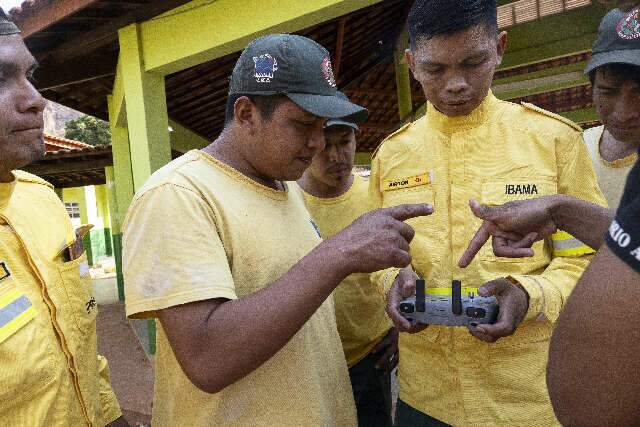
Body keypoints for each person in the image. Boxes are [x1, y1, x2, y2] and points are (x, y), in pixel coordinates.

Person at [122, 34, 432, 426]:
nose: (318, 142)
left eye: (323, 126)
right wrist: (338, 254)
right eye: (303, 125)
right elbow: (207, 359)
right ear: (248, 113)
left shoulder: (284, 187)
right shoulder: (178, 195)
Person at [372, 0, 607, 425]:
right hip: (426, 399)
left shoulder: (552, 140)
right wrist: (393, 281)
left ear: (499, 48)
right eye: (435, 69)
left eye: (473, 62)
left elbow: (589, 261)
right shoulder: (392, 155)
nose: (456, 84)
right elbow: (378, 256)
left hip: (525, 400)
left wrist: (528, 294)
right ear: (411, 64)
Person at [458, 6, 640, 425]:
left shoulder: (554, 138)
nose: (625, 111)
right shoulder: (587, 146)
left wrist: (531, 294)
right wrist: (560, 208)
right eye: (610, 91)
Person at [0, 9, 125, 426]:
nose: (35, 98)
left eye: (28, 75)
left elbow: (81, 350)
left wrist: (112, 417)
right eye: (0, 78)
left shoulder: (43, 201)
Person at [297, 98, 396, 427]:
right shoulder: (287, 202)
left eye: (345, 143)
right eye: (325, 146)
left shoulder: (376, 196)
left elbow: (405, 264)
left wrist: (399, 330)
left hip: (370, 357)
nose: (336, 157)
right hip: (308, 360)